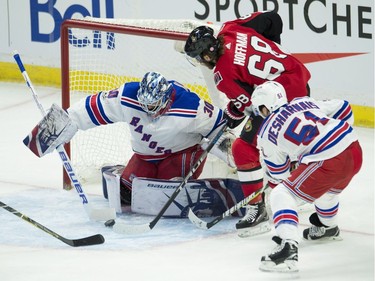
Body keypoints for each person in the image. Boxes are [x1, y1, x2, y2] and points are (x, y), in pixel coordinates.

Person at [184, 10, 311, 237]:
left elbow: (251, 105)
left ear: (207, 55)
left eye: (198, 56)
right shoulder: (230, 29)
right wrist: (275, 51)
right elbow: (272, 18)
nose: (199, 61)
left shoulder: (223, 74)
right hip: (298, 77)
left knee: (243, 149)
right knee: (287, 144)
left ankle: (257, 206)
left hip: (283, 100)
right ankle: (295, 184)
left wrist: (234, 111)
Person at [25, 71, 234, 206]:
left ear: (165, 99)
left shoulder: (191, 106)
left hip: (181, 153)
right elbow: (92, 107)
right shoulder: (128, 96)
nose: (148, 111)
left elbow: (219, 129)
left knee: (165, 198)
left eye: (152, 106)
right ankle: (122, 171)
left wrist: (236, 156)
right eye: (144, 105)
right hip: (145, 156)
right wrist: (60, 125)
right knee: (126, 196)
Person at [250, 81, 362, 272]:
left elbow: (279, 176)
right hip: (353, 147)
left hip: (327, 159)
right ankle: (328, 227)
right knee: (326, 192)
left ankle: (288, 249)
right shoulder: (303, 101)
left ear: (264, 106)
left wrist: (298, 164)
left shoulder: (266, 132)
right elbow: (344, 107)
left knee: (282, 195)